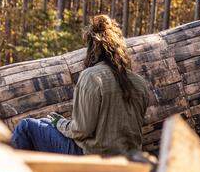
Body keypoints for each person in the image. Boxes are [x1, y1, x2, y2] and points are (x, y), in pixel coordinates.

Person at [11, 14, 151, 157]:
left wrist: (60, 123)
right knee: (45, 122)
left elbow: (81, 130)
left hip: (92, 157)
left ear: (92, 48)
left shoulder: (92, 77)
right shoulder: (140, 83)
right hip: (128, 158)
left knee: (26, 127)